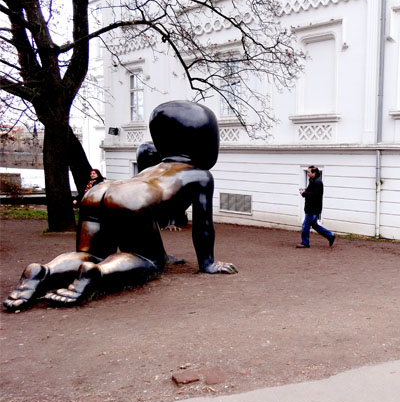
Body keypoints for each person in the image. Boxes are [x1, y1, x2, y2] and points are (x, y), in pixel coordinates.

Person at [4, 100, 237, 311]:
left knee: (88, 253)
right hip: (131, 200)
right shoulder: (200, 175)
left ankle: (44, 270)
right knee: (145, 260)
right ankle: (99, 273)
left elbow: (152, 222)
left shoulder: (151, 169)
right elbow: (203, 226)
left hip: (100, 192)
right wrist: (208, 263)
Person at [297, 165, 335, 249]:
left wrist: (304, 193)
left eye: (309, 172)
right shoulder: (313, 181)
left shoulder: (317, 182)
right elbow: (311, 192)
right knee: (315, 226)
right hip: (312, 208)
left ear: (314, 173)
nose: (307, 173)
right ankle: (330, 235)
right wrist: (305, 191)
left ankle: (305, 243)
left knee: (305, 226)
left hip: (312, 209)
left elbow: (315, 195)